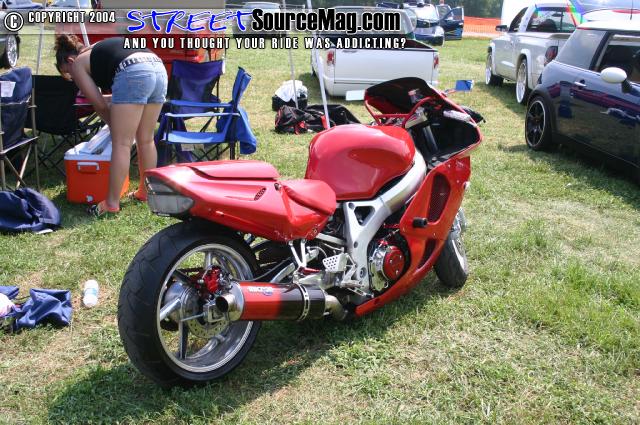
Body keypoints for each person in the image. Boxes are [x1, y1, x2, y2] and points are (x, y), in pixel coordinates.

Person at [54, 35, 168, 216]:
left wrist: (115, 127)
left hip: (132, 70)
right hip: (157, 66)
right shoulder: (96, 48)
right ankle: (145, 192)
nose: (72, 77)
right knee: (146, 140)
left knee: (121, 143)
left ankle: (111, 203)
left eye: (68, 74)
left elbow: (98, 105)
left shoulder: (77, 65)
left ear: (70, 61)